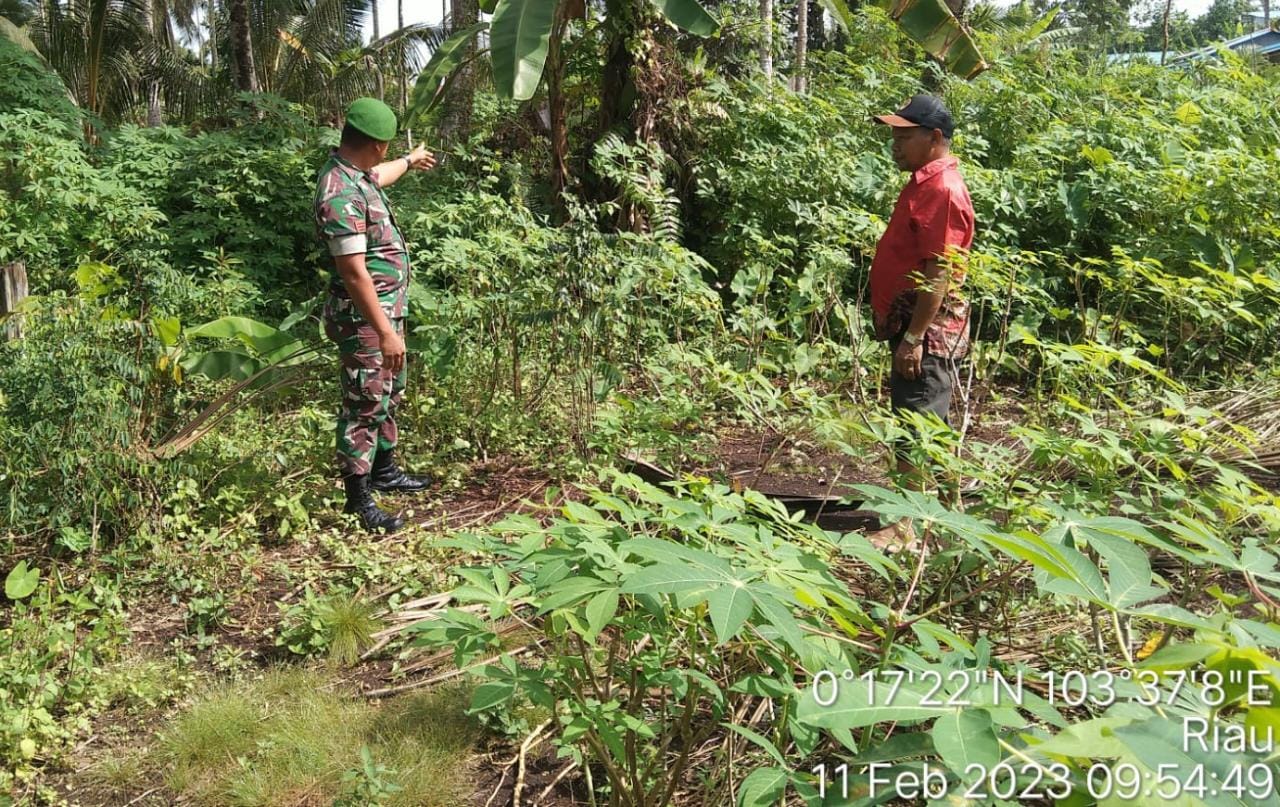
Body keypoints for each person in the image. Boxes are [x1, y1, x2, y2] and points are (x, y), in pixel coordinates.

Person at [314, 97, 436, 533]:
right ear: (377, 144)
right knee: (364, 403)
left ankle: (384, 471)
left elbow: (381, 176)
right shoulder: (340, 193)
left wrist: (410, 159)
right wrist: (384, 331)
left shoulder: (356, 175)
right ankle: (358, 499)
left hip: (384, 314)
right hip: (364, 320)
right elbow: (352, 270)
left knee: (389, 393)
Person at [866, 94, 975, 551]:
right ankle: (947, 519)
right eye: (893, 135)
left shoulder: (942, 190)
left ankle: (907, 528)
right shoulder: (922, 181)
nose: (895, 145)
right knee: (927, 422)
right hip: (913, 327)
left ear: (934, 138)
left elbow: (941, 270)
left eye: (904, 136)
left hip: (926, 333)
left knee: (917, 425)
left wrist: (914, 337)